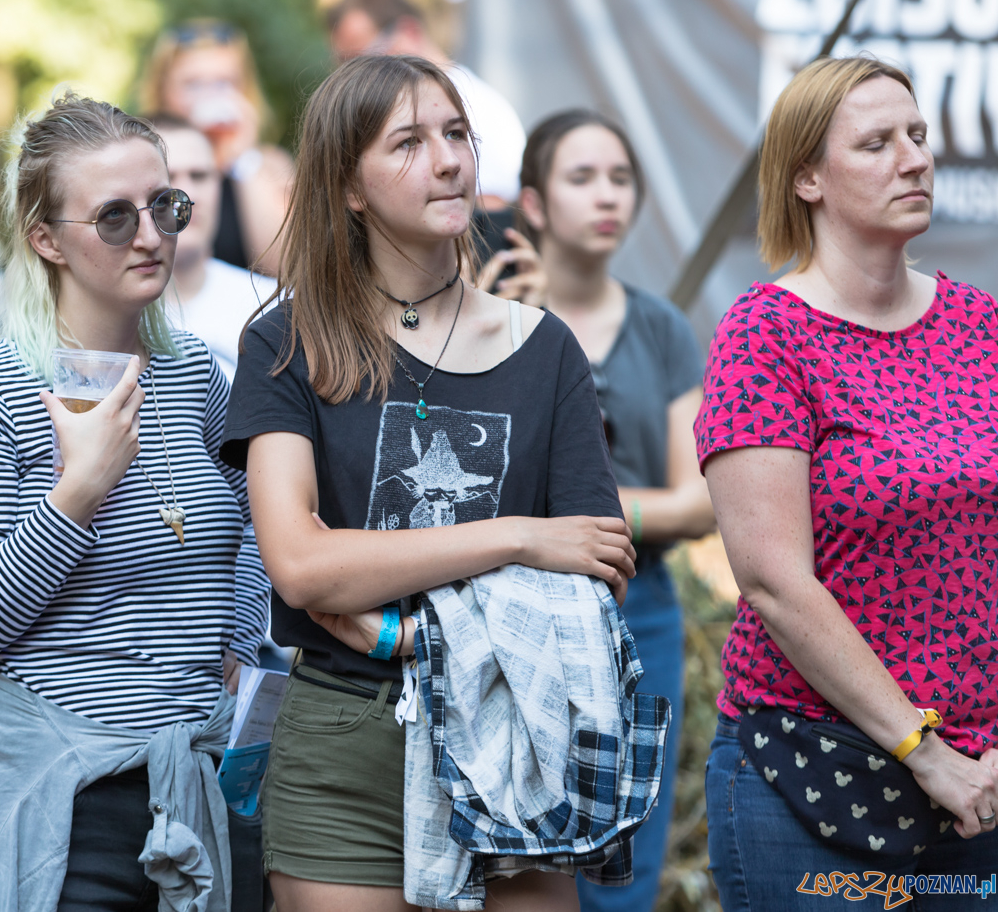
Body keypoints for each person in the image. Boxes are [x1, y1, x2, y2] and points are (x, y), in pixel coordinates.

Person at [222, 55, 638, 912]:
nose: (448, 160)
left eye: (456, 135)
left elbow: (595, 572)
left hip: (515, 725)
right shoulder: (286, 342)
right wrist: (516, 536)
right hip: (343, 740)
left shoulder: (545, 345)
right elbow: (299, 565)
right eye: (408, 142)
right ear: (350, 187)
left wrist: (398, 622)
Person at [0, 94, 270, 911]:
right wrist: (75, 494)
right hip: (68, 801)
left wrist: (239, 647)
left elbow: (252, 522)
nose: (151, 236)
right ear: (46, 239)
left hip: (204, 777)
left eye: (166, 206)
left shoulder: (192, 373)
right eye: (114, 218)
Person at [697, 56, 998, 907]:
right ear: (807, 178)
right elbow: (774, 581)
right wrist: (925, 752)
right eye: (876, 143)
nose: (914, 158)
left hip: (982, 785)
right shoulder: (766, 335)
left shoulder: (982, 324)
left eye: (917, 135)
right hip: (812, 779)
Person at [516, 110, 715, 911]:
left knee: (622, 856)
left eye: (622, 178)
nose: (609, 195)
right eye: (582, 177)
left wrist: (584, 519)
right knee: (521, 855)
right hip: (521, 604)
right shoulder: (495, 318)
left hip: (642, 606)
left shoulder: (662, 326)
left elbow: (699, 500)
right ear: (532, 204)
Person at [326, 0, 543, 304]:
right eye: (344, 64)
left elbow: (492, 213)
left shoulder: (472, 102)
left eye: (456, 135)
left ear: (409, 32)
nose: (449, 162)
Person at [137, 20, 294, 275]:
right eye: (193, 84)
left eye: (224, 83)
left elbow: (288, 267)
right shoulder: (140, 164)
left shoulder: (268, 166)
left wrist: (243, 158)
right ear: (163, 91)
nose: (210, 96)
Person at [148, 115, 275, 380]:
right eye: (168, 177)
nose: (187, 195)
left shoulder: (273, 307)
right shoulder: (109, 317)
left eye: (200, 175)